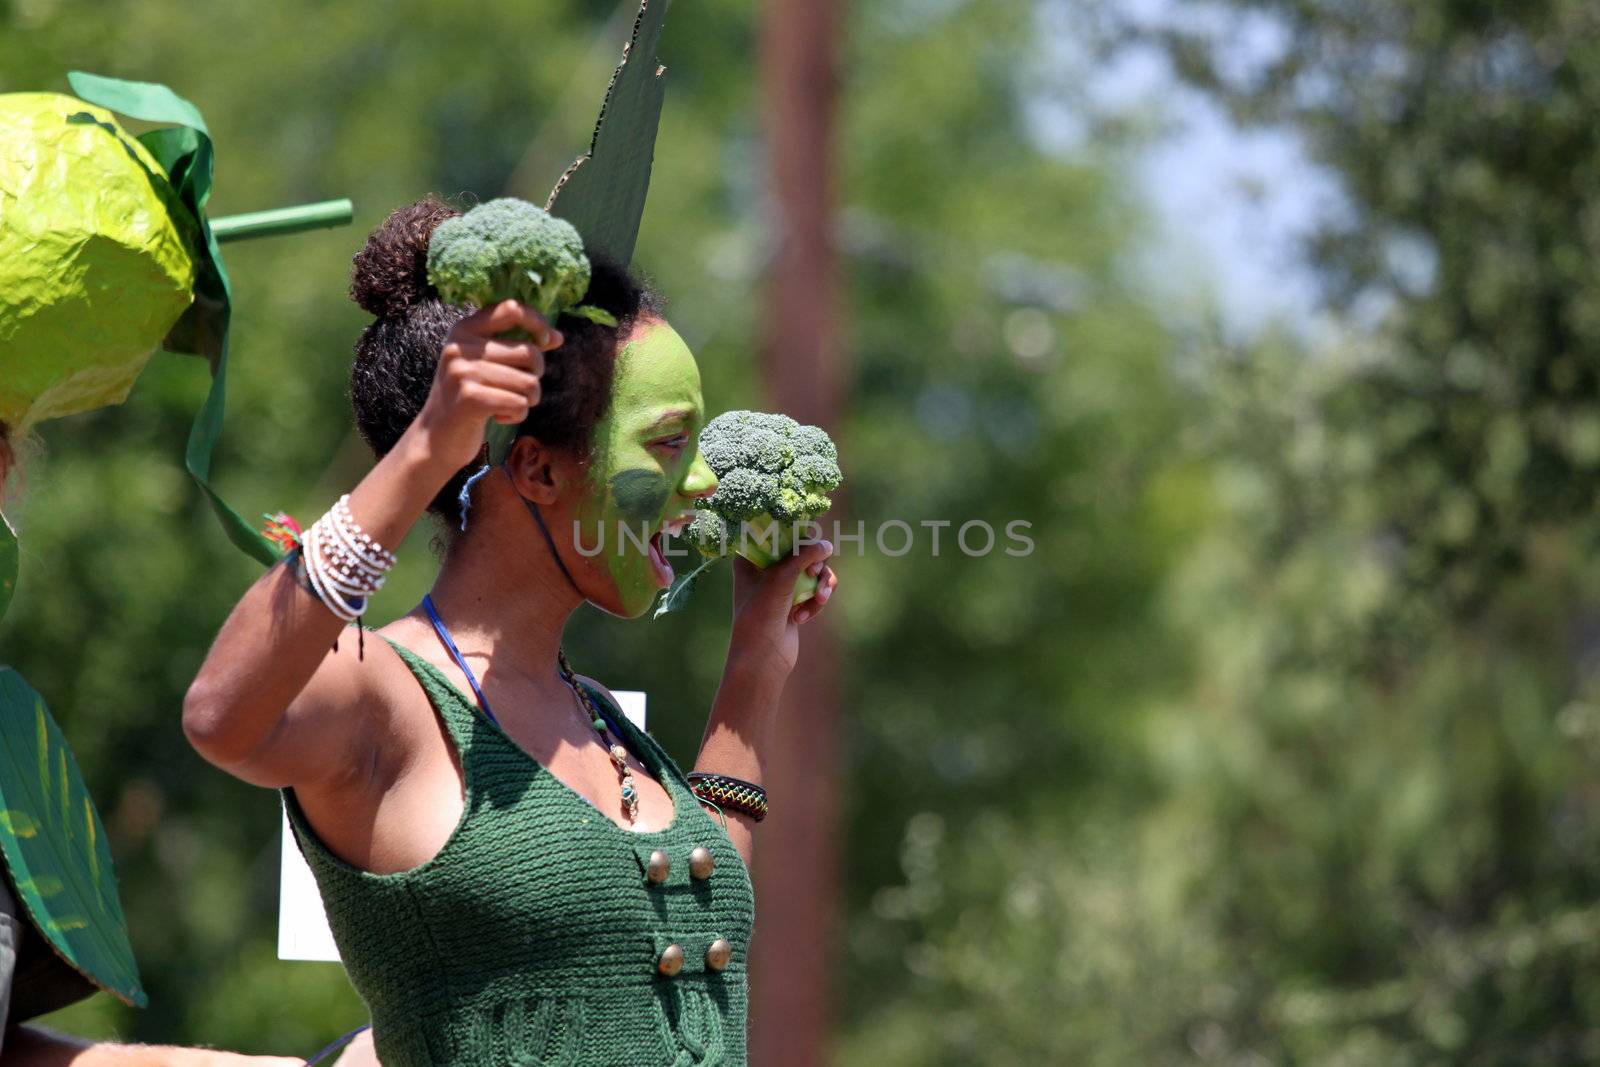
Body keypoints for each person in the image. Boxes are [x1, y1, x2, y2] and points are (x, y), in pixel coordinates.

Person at [183, 196, 838, 1066]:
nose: (706, 481)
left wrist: (757, 657)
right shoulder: (391, 698)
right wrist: (425, 450)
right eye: (670, 442)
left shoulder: (597, 712)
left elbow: (688, 917)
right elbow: (222, 714)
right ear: (535, 467)